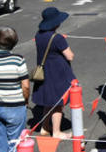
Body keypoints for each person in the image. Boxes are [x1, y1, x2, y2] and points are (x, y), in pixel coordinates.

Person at [32, 7, 75, 139]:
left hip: (44, 72)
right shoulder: (58, 38)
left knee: (48, 102)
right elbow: (70, 56)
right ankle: (57, 132)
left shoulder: (38, 35)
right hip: (57, 74)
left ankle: (45, 127)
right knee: (58, 104)